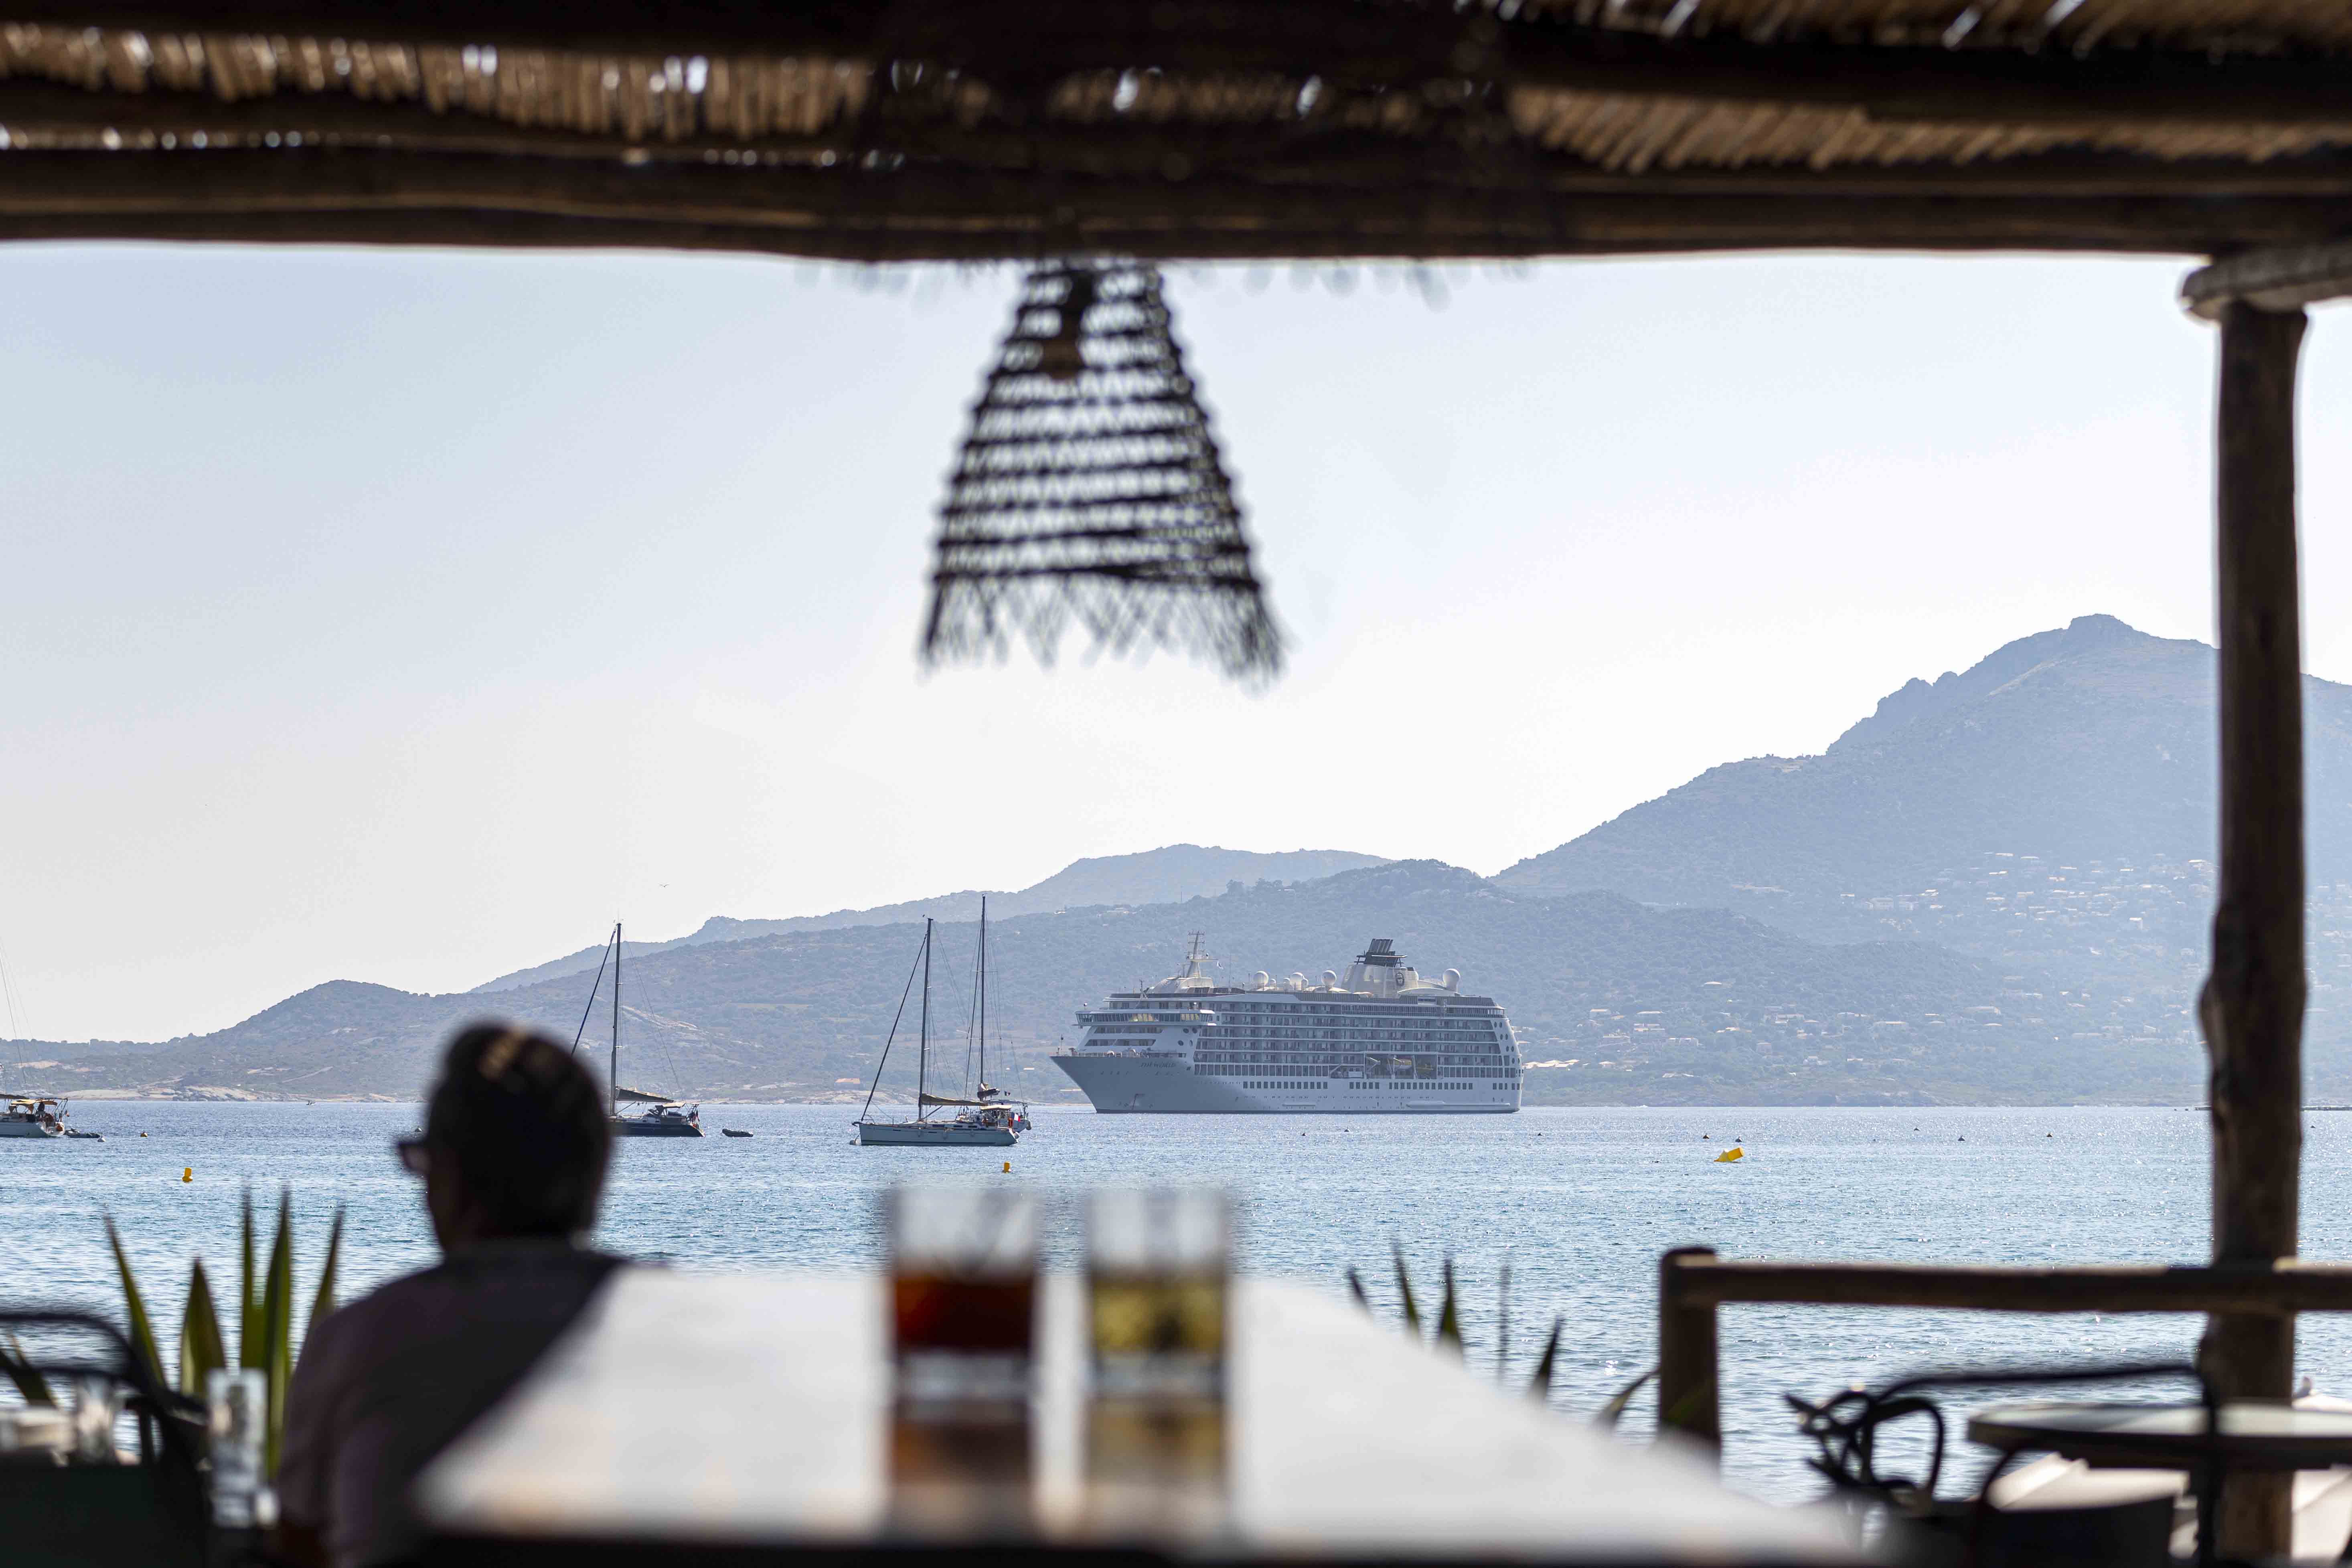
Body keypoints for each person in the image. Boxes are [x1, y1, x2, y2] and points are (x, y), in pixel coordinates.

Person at [276, 1023, 619, 1568]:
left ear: (451, 1174)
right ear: (595, 1170)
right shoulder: (680, 1331)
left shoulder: (364, 1339)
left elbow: (299, 1544)